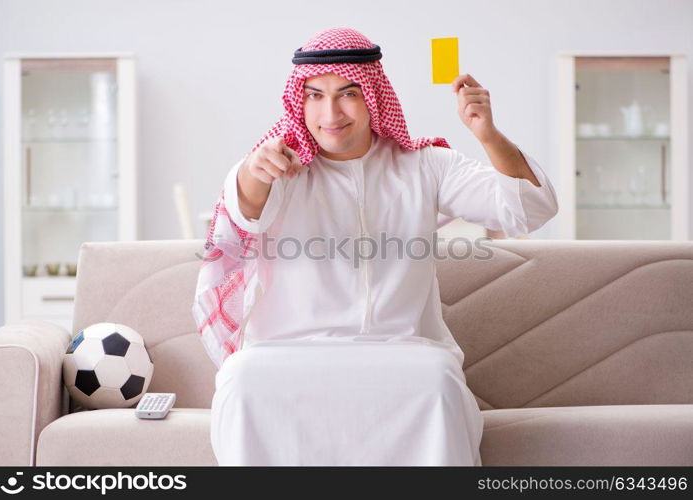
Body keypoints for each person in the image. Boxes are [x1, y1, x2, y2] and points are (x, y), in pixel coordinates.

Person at [193, 27, 558, 466]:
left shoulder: (425, 166)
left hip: (403, 355)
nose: (330, 112)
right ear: (298, 101)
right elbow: (244, 210)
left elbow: (530, 208)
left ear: (373, 95)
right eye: (314, 95)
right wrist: (256, 169)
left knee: (439, 379)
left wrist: (488, 134)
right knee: (241, 378)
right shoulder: (278, 166)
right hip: (288, 358)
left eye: (347, 93)